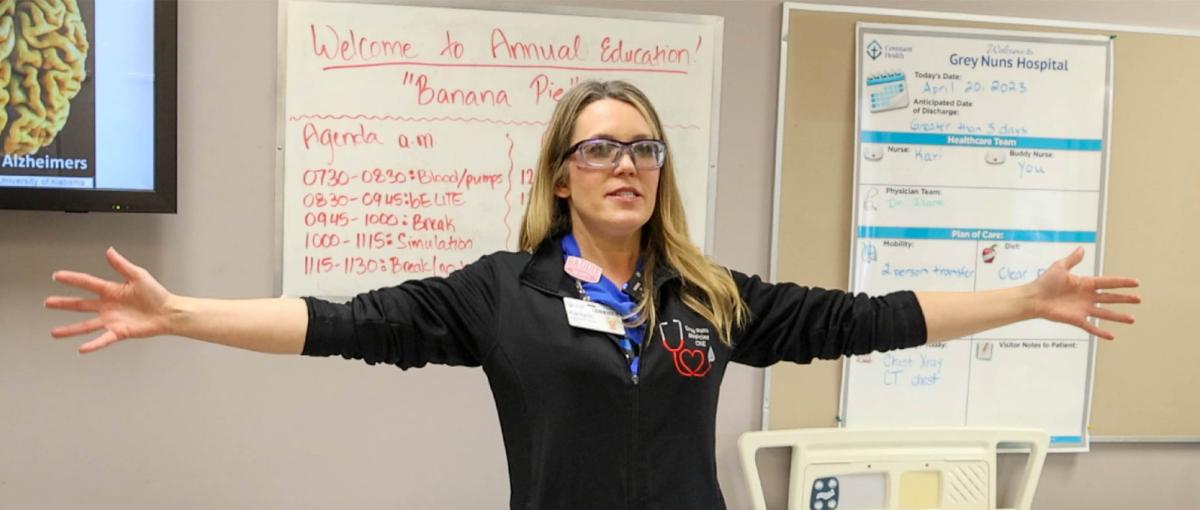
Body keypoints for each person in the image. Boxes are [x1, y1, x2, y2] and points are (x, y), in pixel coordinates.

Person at [45, 80, 1139, 509]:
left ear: (662, 171)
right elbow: (340, 325)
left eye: (645, 147)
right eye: (600, 147)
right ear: (560, 175)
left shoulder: (707, 295)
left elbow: (867, 321)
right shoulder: (498, 293)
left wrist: (1021, 300)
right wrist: (182, 313)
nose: (626, 163)